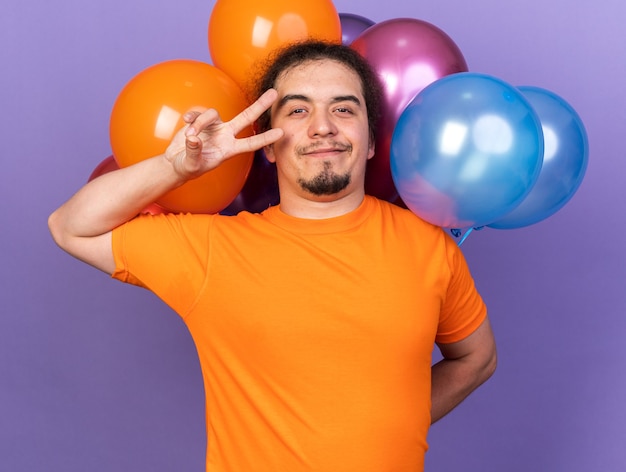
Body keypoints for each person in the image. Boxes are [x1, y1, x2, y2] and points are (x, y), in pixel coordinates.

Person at [49, 40, 496, 472]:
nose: (323, 126)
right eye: (298, 110)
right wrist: (177, 168)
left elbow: (476, 358)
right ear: (267, 143)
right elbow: (70, 226)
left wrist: (397, 423)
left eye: (344, 108)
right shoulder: (211, 250)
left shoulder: (429, 246)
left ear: (372, 139)